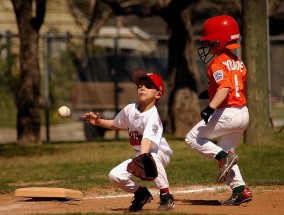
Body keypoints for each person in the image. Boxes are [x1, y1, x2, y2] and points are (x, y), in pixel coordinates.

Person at [83, 71, 175, 212]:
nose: (142, 88)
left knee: (152, 156)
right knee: (114, 176)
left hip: (160, 153)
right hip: (141, 155)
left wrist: (142, 159)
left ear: (158, 94)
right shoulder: (130, 109)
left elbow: (146, 141)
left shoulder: (153, 117)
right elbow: (116, 124)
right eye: (140, 85)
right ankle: (141, 194)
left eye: (148, 86)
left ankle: (166, 195)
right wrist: (98, 122)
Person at [185, 15, 252, 206]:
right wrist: (211, 92)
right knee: (225, 150)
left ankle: (224, 157)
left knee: (192, 138)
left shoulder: (217, 62)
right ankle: (240, 190)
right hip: (243, 113)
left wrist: (210, 107)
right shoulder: (238, 61)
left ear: (219, 40)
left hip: (227, 113)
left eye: (209, 42)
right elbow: (234, 85)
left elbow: (225, 88)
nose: (207, 46)